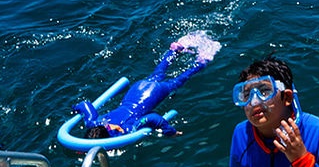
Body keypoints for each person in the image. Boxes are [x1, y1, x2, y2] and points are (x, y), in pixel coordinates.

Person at [74, 32, 218, 138]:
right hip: (137, 89)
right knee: (157, 74)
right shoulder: (93, 122)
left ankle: (201, 62)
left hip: (152, 96)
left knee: (177, 82)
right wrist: (75, 108)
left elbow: (154, 118)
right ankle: (174, 50)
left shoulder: (129, 129)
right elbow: (85, 104)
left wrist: (170, 132)